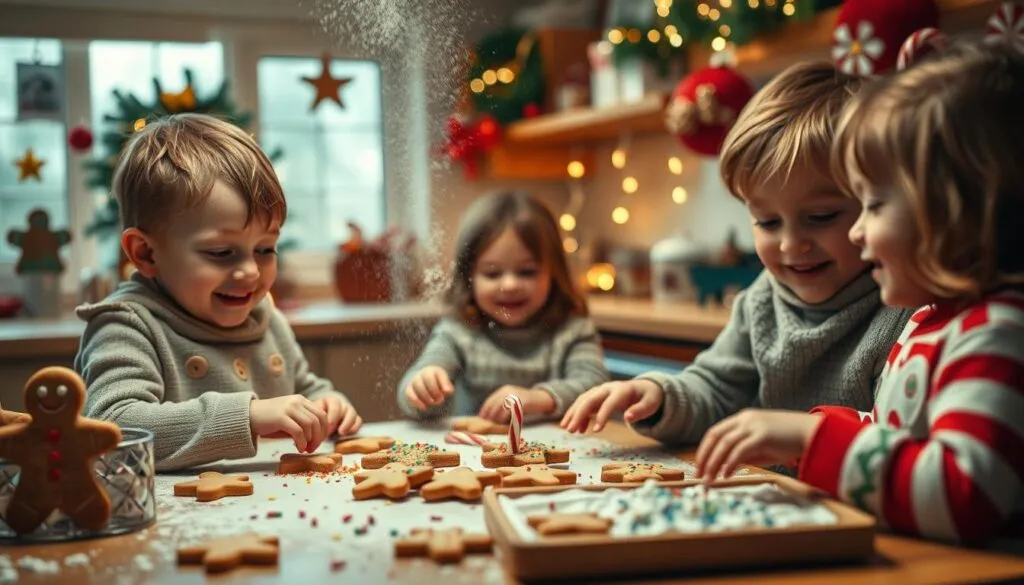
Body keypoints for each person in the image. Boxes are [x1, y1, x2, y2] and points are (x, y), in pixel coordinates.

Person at [695, 41, 1024, 545]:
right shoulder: (929, 323)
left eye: (872, 207)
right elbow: (900, 432)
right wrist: (817, 427)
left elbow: (966, 495)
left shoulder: (998, 332)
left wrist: (813, 438)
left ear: (949, 212)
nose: (856, 232)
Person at [562, 61, 911, 446]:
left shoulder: (900, 311)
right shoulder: (762, 300)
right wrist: (659, 397)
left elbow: (892, 448)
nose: (791, 244)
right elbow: (713, 388)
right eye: (767, 222)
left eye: (821, 216)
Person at [75, 113, 361, 471]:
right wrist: (248, 415)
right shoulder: (124, 325)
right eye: (221, 253)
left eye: (265, 249)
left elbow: (304, 388)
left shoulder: (266, 319)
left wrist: (326, 405)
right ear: (145, 253)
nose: (251, 272)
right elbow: (112, 427)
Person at [398, 191, 608, 422]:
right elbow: (410, 396)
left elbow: (594, 387)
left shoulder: (572, 330)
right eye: (492, 273)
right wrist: (422, 387)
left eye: (527, 272)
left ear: (554, 273)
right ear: (469, 278)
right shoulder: (457, 332)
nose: (509, 285)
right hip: (472, 453)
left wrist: (537, 398)